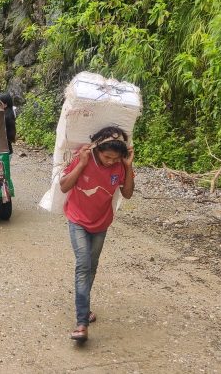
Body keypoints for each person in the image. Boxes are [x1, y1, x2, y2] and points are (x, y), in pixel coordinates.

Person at [59, 126, 135, 342]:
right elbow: (64, 186)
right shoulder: (83, 157)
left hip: (101, 223)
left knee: (91, 267)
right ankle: (82, 322)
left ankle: (85, 308)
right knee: (83, 265)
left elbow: (127, 193)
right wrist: (82, 164)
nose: (110, 161)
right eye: (107, 156)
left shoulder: (121, 165)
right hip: (77, 219)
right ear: (98, 149)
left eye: (115, 158)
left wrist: (128, 167)